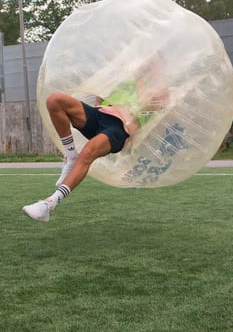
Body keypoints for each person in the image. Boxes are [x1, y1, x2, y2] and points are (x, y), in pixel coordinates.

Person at [22, 69, 169, 223]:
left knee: (87, 153)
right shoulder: (124, 73)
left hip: (120, 128)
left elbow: (148, 104)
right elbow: (101, 96)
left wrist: (139, 77)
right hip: (100, 115)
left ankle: (48, 204)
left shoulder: (159, 86)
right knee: (54, 100)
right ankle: (71, 156)